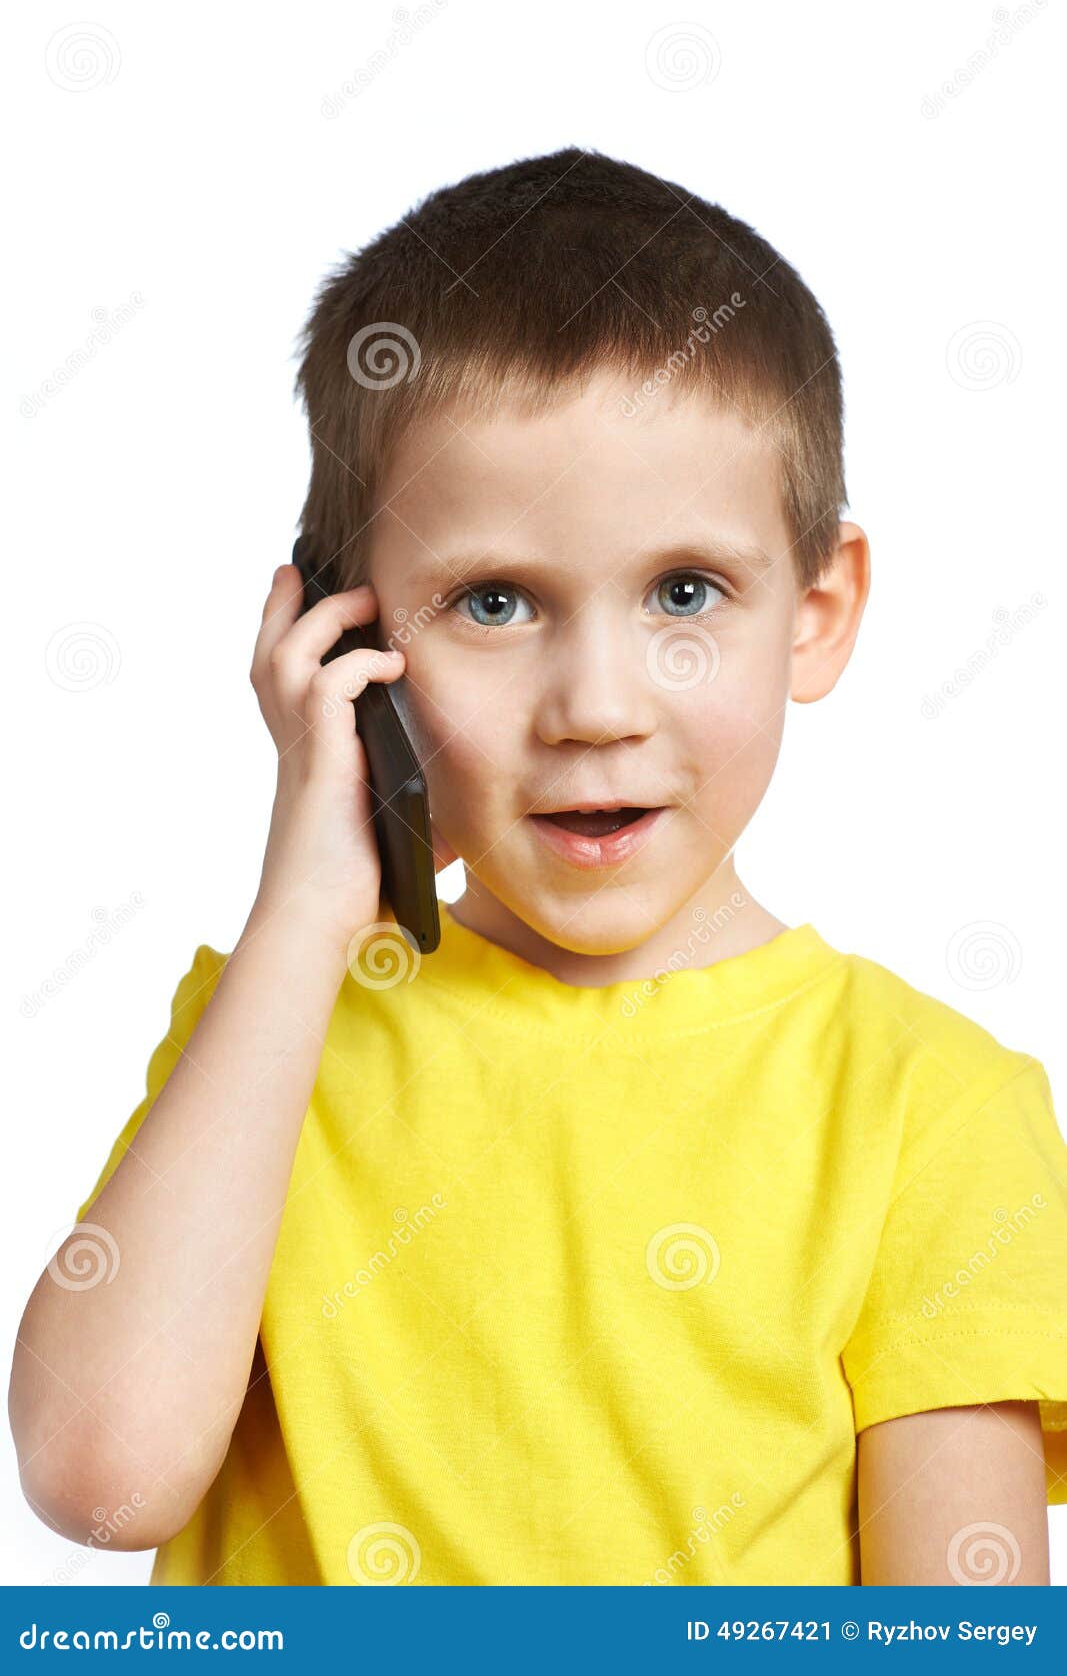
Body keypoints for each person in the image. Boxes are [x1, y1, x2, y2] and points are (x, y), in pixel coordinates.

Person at [11, 147, 1067, 1587]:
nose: (596, 704)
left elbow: (966, 1637)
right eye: (494, 601)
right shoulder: (275, 1032)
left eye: (685, 591)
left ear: (817, 611)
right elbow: (99, 1480)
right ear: (346, 643)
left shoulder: (932, 1108)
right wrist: (310, 905)